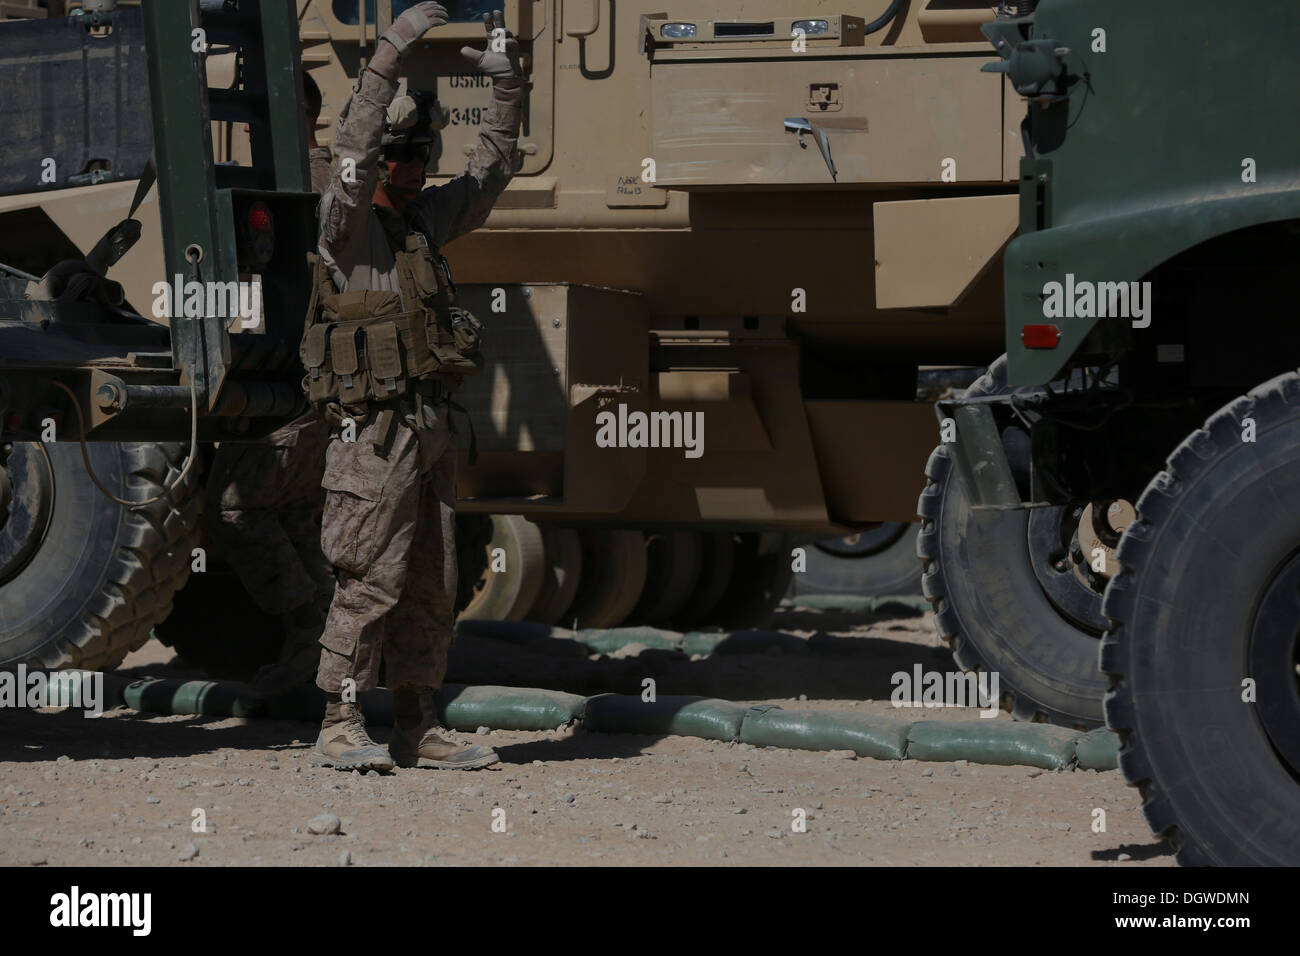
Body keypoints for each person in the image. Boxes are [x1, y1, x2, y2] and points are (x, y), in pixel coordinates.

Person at [305, 4, 523, 772]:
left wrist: (505, 91)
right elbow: (354, 151)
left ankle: (415, 724)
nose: (414, 167)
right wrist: (388, 57)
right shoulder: (346, 223)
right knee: (368, 576)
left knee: (433, 580)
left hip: (429, 429)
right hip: (372, 434)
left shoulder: (423, 222)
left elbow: (491, 173)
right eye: (401, 157)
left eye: (421, 154)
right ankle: (337, 721)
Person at [205, 71, 336, 696]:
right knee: (300, 517)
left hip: (295, 381)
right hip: (328, 383)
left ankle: (312, 633)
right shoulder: (340, 178)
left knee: (234, 508)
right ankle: (325, 656)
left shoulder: (293, 185)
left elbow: (262, 288)